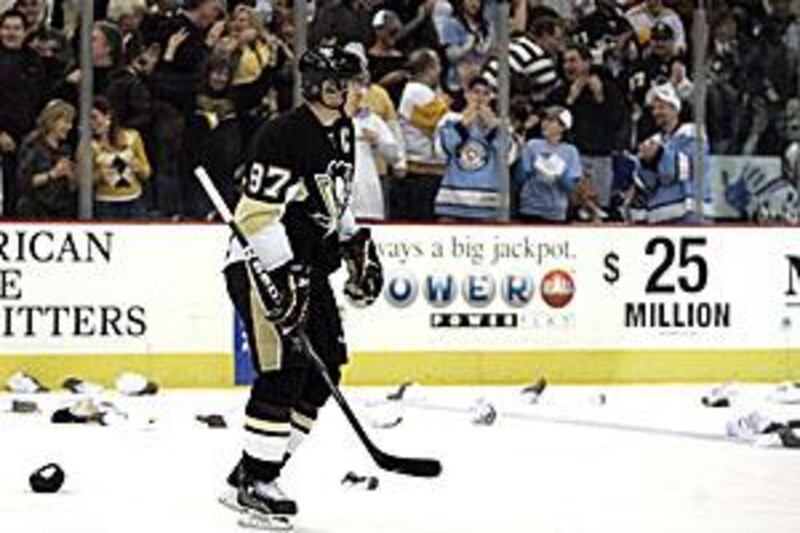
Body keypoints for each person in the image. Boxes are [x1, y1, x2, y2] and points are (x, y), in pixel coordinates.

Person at [221, 45, 383, 522]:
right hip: (261, 264)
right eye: (351, 83)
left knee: (325, 368)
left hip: (309, 266)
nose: (361, 91)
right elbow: (254, 217)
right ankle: (257, 481)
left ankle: (255, 470)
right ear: (325, 87)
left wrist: (355, 243)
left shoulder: (344, 131)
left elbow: (331, 196)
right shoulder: (282, 135)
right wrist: (284, 274)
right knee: (284, 369)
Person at [434, 75, 513, 220]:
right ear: (466, 94)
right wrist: (462, 126)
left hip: (489, 203)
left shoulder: (501, 124)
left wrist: (492, 128)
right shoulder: (450, 119)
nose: (480, 98)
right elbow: (442, 151)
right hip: (453, 202)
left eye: (485, 93)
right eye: (476, 92)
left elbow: (509, 156)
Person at [633, 83, 711, 224]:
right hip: (658, 217)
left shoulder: (693, 134)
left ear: (675, 108)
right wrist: (646, 163)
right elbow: (646, 184)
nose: (656, 112)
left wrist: (658, 156)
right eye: (654, 108)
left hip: (689, 216)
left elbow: (689, 169)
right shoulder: (653, 141)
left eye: (662, 107)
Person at [514, 106, 582, 222]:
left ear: (563, 127)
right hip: (530, 208)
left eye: (550, 121)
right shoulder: (532, 145)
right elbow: (520, 178)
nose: (544, 123)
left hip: (556, 211)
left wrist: (558, 171)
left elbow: (571, 186)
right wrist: (522, 156)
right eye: (544, 120)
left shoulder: (570, 151)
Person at [90, 96, 151, 219]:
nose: (92, 123)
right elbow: (83, 181)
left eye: (94, 117)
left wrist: (139, 168)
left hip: (134, 203)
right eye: (88, 119)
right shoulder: (89, 145)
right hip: (106, 205)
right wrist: (99, 175)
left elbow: (147, 172)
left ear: (108, 115)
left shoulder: (132, 137)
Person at [16, 99, 76, 218]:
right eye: (66, 122)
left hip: (62, 211)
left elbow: (71, 188)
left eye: (71, 122)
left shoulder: (65, 149)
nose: (70, 127)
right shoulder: (33, 145)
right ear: (52, 121)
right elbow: (24, 182)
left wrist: (72, 176)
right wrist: (53, 174)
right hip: (35, 212)